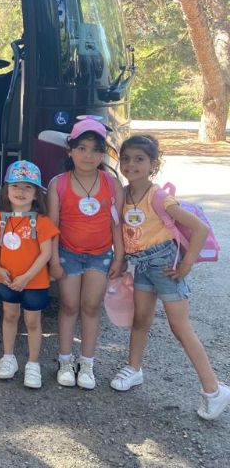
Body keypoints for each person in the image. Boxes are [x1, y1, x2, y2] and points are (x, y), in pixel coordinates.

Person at [110, 135, 229, 420]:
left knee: (180, 327)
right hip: (142, 266)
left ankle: (213, 389)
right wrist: (122, 259)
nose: (131, 164)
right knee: (141, 320)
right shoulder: (123, 195)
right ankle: (134, 368)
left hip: (165, 267)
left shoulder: (159, 197)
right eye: (126, 159)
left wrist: (186, 265)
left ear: (154, 164)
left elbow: (199, 229)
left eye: (139, 159)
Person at [47, 117, 124, 389]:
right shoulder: (58, 184)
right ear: (70, 151)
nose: (88, 155)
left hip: (100, 255)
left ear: (103, 154)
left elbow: (116, 223)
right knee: (69, 305)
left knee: (91, 307)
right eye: (81, 148)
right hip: (67, 254)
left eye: (95, 149)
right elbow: (52, 227)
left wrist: (119, 256)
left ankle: (87, 363)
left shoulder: (111, 183)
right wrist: (53, 260)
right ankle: (65, 361)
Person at [0, 160, 59, 388]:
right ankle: (8, 357)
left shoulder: (42, 221)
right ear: (6, 190)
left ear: (36, 194)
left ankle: (33, 364)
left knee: (32, 322)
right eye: (15, 186)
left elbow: (46, 253)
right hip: (7, 279)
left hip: (34, 282)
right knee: (9, 316)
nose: (20, 191)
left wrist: (27, 277)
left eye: (28, 187)